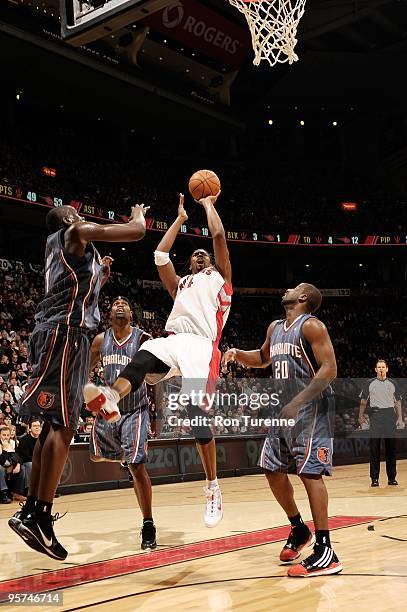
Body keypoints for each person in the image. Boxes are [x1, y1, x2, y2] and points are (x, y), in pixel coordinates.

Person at [84, 192, 232, 527]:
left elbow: (219, 236)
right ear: (189, 265)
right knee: (140, 358)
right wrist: (180, 220)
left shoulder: (220, 279)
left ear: (210, 262)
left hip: (201, 347)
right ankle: (112, 396)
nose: (199, 255)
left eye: (203, 254)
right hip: (173, 340)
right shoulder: (181, 285)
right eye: (194, 255)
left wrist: (208, 205)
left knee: (196, 414)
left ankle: (212, 486)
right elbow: (160, 253)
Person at [9, 203, 148, 560]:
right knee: (65, 428)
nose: (80, 214)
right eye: (75, 211)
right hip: (65, 336)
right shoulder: (74, 231)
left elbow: (75, 289)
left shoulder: (60, 249)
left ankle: (33, 514)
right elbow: (136, 232)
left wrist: (98, 274)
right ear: (69, 219)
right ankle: (38, 512)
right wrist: (136, 217)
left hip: (61, 334)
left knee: (54, 425)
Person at [222, 283, 342, 577]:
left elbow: (329, 369)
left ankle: (326, 550)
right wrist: (237, 353)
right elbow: (263, 358)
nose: (287, 288)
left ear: (303, 298)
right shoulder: (275, 327)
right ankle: (299, 528)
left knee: (309, 472)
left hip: (311, 409)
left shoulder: (311, 326)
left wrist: (298, 401)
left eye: (295, 287)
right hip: (284, 411)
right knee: (272, 468)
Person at [88, 296, 157, 549]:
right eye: (115, 303)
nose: (119, 304)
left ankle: (148, 524)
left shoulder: (143, 339)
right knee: (94, 456)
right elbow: (86, 370)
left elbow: (154, 374)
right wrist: (88, 391)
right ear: (108, 314)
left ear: (131, 312)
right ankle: (123, 456)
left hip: (135, 410)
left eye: (125, 303)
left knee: (137, 466)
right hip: (107, 410)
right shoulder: (99, 341)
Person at [359, 359, 403, 487]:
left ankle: (391, 478)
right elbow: (363, 400)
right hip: (376, 416)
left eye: (383, 367)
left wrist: (400, 417)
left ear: (387, 369)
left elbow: (398, 402)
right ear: (375, 369)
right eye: (379, 367)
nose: (381, 369)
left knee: (391, 448)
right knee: (374, 448)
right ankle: (374, 479)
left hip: (390, 415)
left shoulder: (393, 383)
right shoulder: (369, 383)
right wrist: (360, 416)